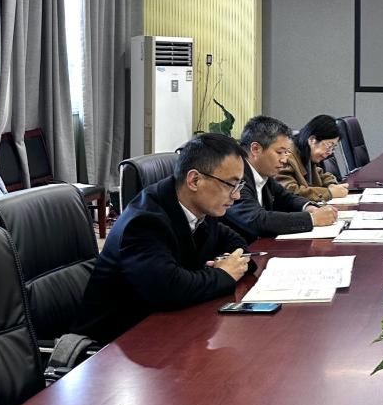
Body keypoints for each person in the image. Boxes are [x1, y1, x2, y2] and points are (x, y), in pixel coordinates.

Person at [78, 133, 256, 341]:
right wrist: (224, 273)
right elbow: (170, 290)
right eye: (230, 185)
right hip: (114, 342)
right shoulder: (144, 222)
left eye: (239, 186)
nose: (236, 195)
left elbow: (235, 242)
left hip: (165, 327)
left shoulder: (200, 208)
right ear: (194, 180)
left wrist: (231, 264)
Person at [226, 115, 338, 242]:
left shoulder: (263, 173)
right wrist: (312, 219)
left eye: (286, 153)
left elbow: (286, 198)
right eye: (279, 152)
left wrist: (308, 207)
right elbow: (256, 220)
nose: (284, 159)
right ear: (255, 149)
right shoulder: (235, 176)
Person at [276, 114, 351, 202]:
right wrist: (329, 193)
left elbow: (320, 174)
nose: (330, 152)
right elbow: (290, 192)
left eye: (333, 148)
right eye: (329, 146)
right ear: (312, 140)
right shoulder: (286, 158)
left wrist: (331, 185)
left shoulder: (306, 154)